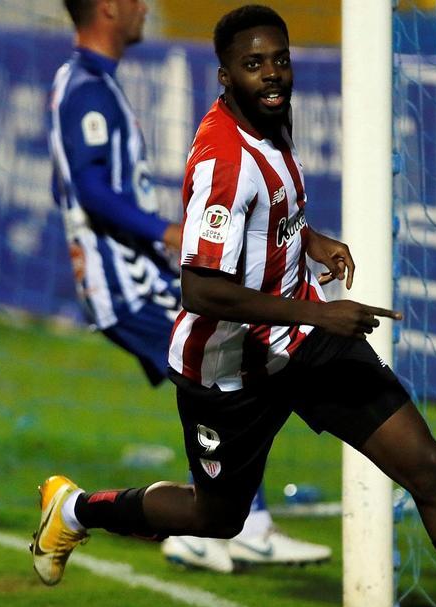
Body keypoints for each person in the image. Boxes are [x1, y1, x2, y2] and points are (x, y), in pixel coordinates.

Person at [32, 6, 436, 607]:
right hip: (227, 368)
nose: (271, 74)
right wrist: (320, 316)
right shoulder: (222, 157)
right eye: (253, 64)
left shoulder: (269, 122)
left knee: (428, 466)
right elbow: (199, 288)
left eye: (279, 59)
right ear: (224, 76)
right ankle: (72, 507)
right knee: (218, 517)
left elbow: (265, 217)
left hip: (303, 343)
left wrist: (309, 239)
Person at [47, 0, 329, 571]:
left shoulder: (84, 79)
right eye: (131, 1)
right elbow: (91, 188)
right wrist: (168, 230)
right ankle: (227, 524)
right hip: (124, 284)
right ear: (106, 8)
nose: (143, 7)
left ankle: (237, 521)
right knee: (226, 370)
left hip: (131, 278)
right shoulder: (87, 89)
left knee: (231, 376)